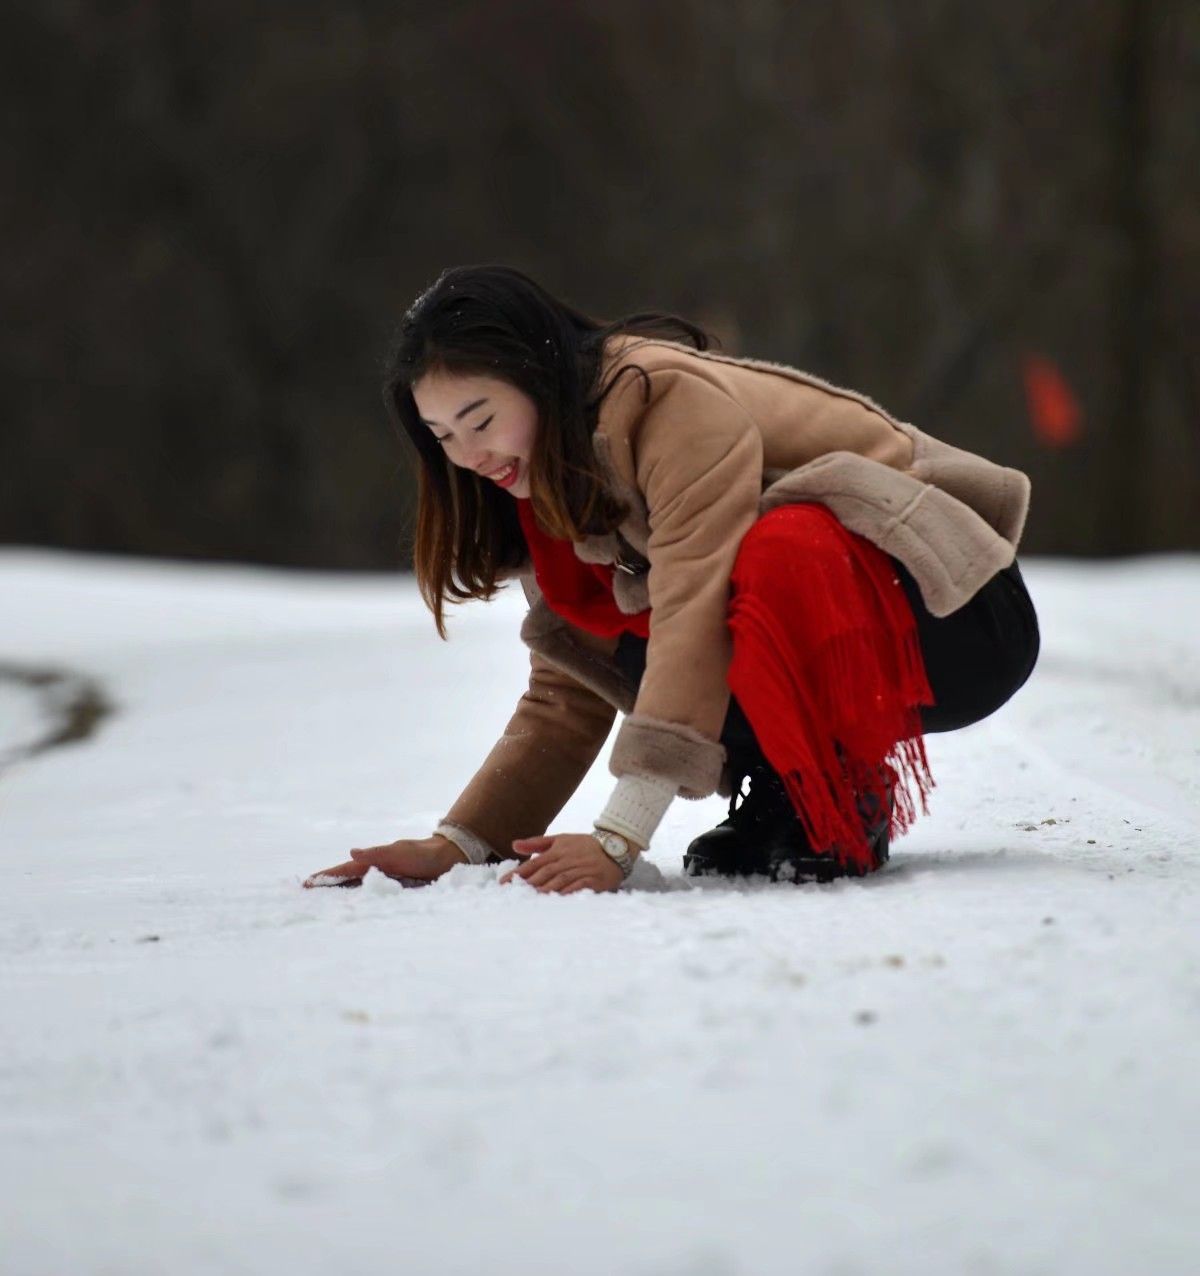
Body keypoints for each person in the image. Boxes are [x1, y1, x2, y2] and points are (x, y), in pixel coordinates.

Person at [304, 264, 1039, 895]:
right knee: (615, 620)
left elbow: (697, 599)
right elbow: (568, 688)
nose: (470, 454)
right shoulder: (543, 480)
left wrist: (620, 838)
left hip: (957, 610)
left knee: (774, 553)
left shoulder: (662, 401)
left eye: (481, 419)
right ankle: (785, 793)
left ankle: (837, 792)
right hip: (848, 616)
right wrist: (461, 843)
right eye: (444, 438)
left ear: (536, 376)